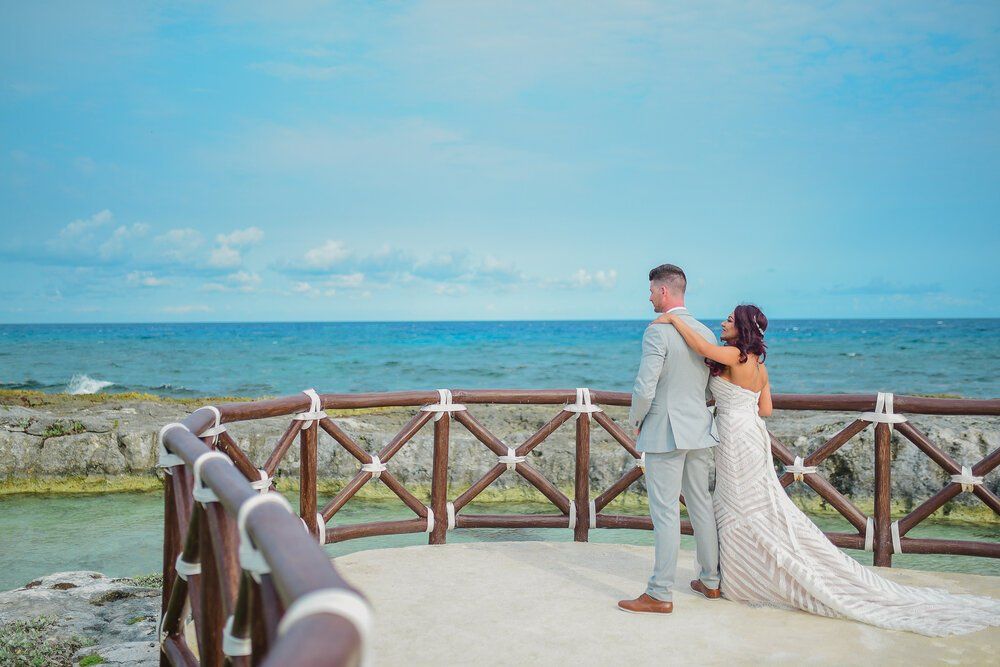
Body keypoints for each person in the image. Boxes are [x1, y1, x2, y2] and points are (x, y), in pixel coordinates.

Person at [654, 303, 1000, 636]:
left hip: (733, 436)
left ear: (742, 328)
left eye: (729, 320)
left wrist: (673, 321)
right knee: (752, 504)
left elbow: (700, 346)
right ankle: (722, 576)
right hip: (753, 435)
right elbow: (767, 409)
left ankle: (731, 577)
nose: (723, 323)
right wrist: (737, 399)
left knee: (734, 506)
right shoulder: (758, 363)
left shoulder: (733, 355)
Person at [618, 263, 721, 614]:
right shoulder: (706, 332)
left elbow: (645, 386)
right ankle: (711, 581)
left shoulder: (656, 332)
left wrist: (636, 420)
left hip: (665, 430)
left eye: (650, 291)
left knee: (664, 513)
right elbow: (709, 385)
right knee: (701, 505)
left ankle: (660, 593)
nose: (648, 297)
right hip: (699, 429)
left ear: (663, 291)